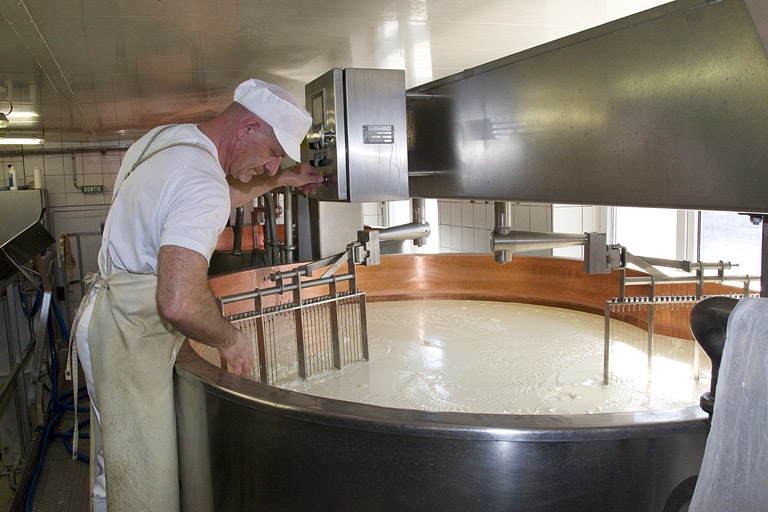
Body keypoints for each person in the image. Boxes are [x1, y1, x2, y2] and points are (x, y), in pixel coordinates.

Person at [71, 78, 323, 511]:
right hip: (127, 335)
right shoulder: (201, 181)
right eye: (273, 153)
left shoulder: (171, 142)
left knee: (114, 460)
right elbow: (180, 301)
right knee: (140, 475)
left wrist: (283, 178)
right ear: (247, 127)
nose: (269, 166)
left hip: (106, 316)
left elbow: (218, 192)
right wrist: (230, 339)